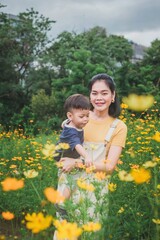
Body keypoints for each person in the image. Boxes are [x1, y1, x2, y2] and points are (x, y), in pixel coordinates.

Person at [54, 73, 127, 237]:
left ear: (113, 96)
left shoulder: (118, 127)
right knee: (65, 233)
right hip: (69, 183)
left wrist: (76, 163)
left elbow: (109, 167)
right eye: (94, 93)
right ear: (89, 96)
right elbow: (64, 144)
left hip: (95, 190)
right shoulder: (79, 118)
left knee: (90, 233)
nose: (99, 98)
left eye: (104, 93)